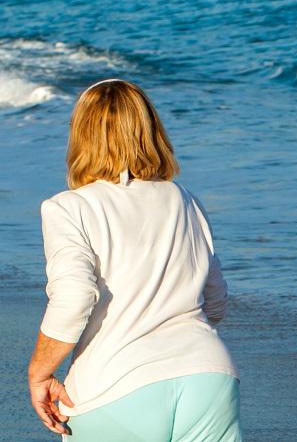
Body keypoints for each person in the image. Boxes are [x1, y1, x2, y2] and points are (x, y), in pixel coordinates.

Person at [26, 79, 240, 441]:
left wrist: (39, 373)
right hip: (208, 375)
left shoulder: (69, 207)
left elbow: (75, 297)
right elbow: (215, 301)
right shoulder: (185, 201)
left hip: (116, 382)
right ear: (151, 130)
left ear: (81, 134)